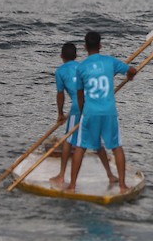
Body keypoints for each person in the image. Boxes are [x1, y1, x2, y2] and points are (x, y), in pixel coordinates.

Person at [66, 32, 137, 193]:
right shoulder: (109, 62)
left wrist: (84, 112)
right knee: (116, 147)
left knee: (80, 147)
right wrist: (130, 76)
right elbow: (132, 70)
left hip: (90, 111)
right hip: (109, 112)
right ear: (100, 45)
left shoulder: (81, 67)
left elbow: (79, 95)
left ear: (85, 47)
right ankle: (123, 186)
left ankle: (72, 186)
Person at [49, 42, 118, 187]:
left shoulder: (60, 71)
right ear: (76, 56)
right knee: (97, 142)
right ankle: (111, 176)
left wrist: (60, 114)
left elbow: (60, 95)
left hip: (77, 109)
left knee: (68, 141)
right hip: (92, 106)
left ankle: (61, 176)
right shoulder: (82, 66)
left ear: (61, 56)